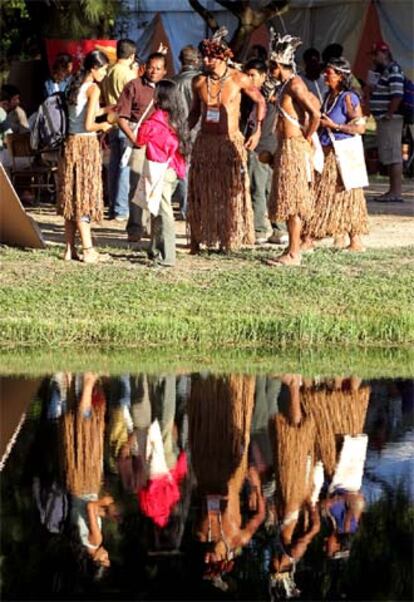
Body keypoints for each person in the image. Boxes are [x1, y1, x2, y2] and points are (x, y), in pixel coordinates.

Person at [187, 27, 266, 253]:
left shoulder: (238, 79)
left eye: (211, 56)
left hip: (230, 141)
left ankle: (229, 238)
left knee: (230, 192)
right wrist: (183, 134)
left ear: (222, 57)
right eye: (204, 55)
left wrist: (256, 130)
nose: (206, 59)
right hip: (205, 143)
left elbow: (260, 102)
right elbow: (194, 112)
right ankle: (197, 238)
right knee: (201, 191)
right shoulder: (199, 82)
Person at [302, 57, 369, 252]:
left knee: (348, 197)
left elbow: (361, 127)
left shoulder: (349, 98)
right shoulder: (329, 96)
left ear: (340, 76)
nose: (325, 75)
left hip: (343, 155)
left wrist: (335, 126)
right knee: (323, 195)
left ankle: (354, 241)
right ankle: (316, 238)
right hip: (327, 153)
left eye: (329, 73)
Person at [266, 33, 320, 267]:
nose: (269, 71)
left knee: (294, 201)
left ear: (277, 65)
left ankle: (294, 253)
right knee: (290, 201)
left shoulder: (296, 84)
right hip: (288, 147)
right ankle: (292, 249)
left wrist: (305, 137)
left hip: (294, 148)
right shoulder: (286, 85)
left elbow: (315, 112)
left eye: (271, 67)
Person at [57, 50, 113, 263]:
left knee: (71, 196)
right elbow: (89, 124)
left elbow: (80, 115)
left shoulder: (75, 85)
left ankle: (69, 249)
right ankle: (88, 249)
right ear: (94, 68)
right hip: (85, 146)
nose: (105, 73)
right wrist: (105, 125)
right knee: (83, 196)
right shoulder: (93, 89)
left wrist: (107, 109)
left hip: (70, 143)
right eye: (104, 69)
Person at [135, 80, 189, 267]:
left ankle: (167, 256)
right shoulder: (178, 119)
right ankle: (156, 250)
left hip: (159, 169)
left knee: (162, 212)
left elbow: (140, 139)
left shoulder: (155, 120)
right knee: (157, 209)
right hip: (174, 169)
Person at [117, 52, 167, 242]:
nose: (154, 72)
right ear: (145, 67)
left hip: (159, 144)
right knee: (136, 183)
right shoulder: (134, 86)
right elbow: (121, 117)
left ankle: (153, 228)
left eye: (158, 68)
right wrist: (134, 138)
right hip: (139, 142)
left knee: (155, 184)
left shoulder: (166, 89)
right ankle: (135, 227)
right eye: (151, 67)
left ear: (165, 71)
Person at [242, 58, 280, 244]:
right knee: (260, 188)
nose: (250, 79)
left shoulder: (272, 95)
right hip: (254, 146)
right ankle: (266, 228)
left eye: (253, 75)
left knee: (266, 188)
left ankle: (266, 229)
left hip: (266, 146)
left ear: (264, 76)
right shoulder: (247, 96)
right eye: (247, 75)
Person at [102, 38, 137, 221]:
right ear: (132, 56)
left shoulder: (109, 72)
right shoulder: (128, 75)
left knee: (114, 167)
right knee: (125, 166)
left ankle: (113, 207)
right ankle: (122, 208)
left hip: (112, 124)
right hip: (126, 123)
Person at [369, 41, 405, 202]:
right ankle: (392, 190)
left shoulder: (394, 70)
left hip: (391, 119)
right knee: (389, 155)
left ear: (384, 54)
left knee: (393, 155)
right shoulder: (383, 72)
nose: (374, 59)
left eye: (376, 55)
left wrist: (389, 113)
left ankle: (396, 192)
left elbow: (397, 94)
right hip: (384, 119)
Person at [172, 45, 201, 220]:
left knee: (183, 168)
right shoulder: (200, 81)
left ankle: (185, 206)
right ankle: (189, 207)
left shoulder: (173, 81)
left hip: (178, 128)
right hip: (197, 129)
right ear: (196, 60)